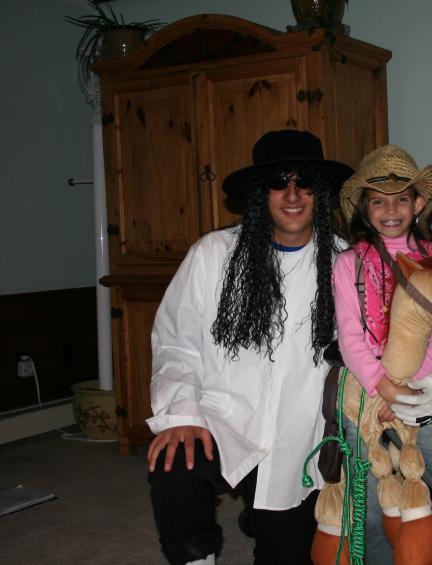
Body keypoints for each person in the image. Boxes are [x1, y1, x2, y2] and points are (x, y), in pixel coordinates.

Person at [145, 129, 353, 565]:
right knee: (174, 462)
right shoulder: (213, 255)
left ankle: (261, 516)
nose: (292, 195)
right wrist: (181, 414)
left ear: (321, 192)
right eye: (279, 182)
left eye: (305, 182)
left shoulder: (345, 262)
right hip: (224, 419)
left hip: (299, 438)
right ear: (261, 193)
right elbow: (177, 342)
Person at [333, 144, 432, 564]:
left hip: (412, 395)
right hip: (363, 398)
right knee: (369, 513)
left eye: (401, 199)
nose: (390, 210)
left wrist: (405, 388)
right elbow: (350, 336)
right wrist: (382, 387)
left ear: (418, 204)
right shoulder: (348, 264)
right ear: (364, 209)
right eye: (378, 201)